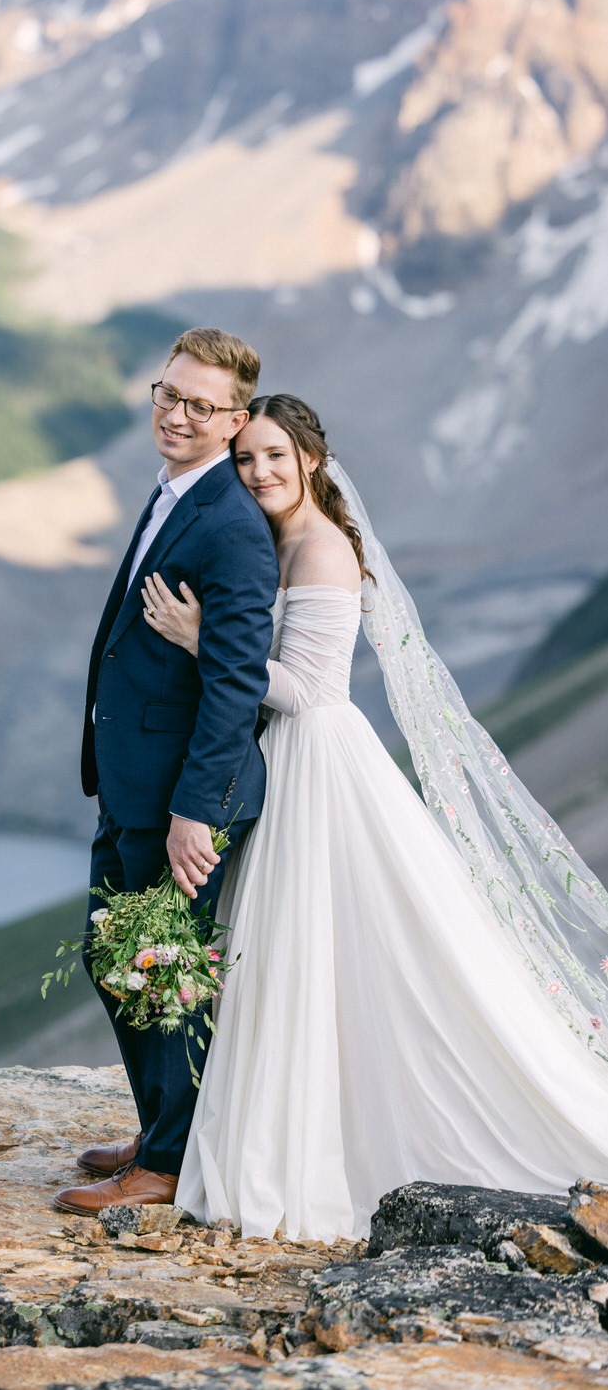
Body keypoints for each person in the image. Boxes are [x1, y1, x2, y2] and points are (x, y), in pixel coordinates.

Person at [140, 393, 608, 1243]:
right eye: (246, 459)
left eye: (275, 455)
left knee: (327, 947)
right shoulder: (272, 538)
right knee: (289, 955)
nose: (259, 472)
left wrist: (202, 637)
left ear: (312, 459)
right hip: (282, 759)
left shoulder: (320, 551)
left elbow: (310, 689)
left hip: (316, 760)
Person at [53, 328, 280, 1217]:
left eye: (199, 405)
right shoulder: (177, 492)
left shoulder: (231, 527)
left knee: (155, 968)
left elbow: (234, 685)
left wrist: (194, 810)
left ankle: (170, 1165)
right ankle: (160, 1133)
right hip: (135, 782)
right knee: (121, 956)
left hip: (180, 800)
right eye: (167, 393)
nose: (175, 414)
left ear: (234, 420)